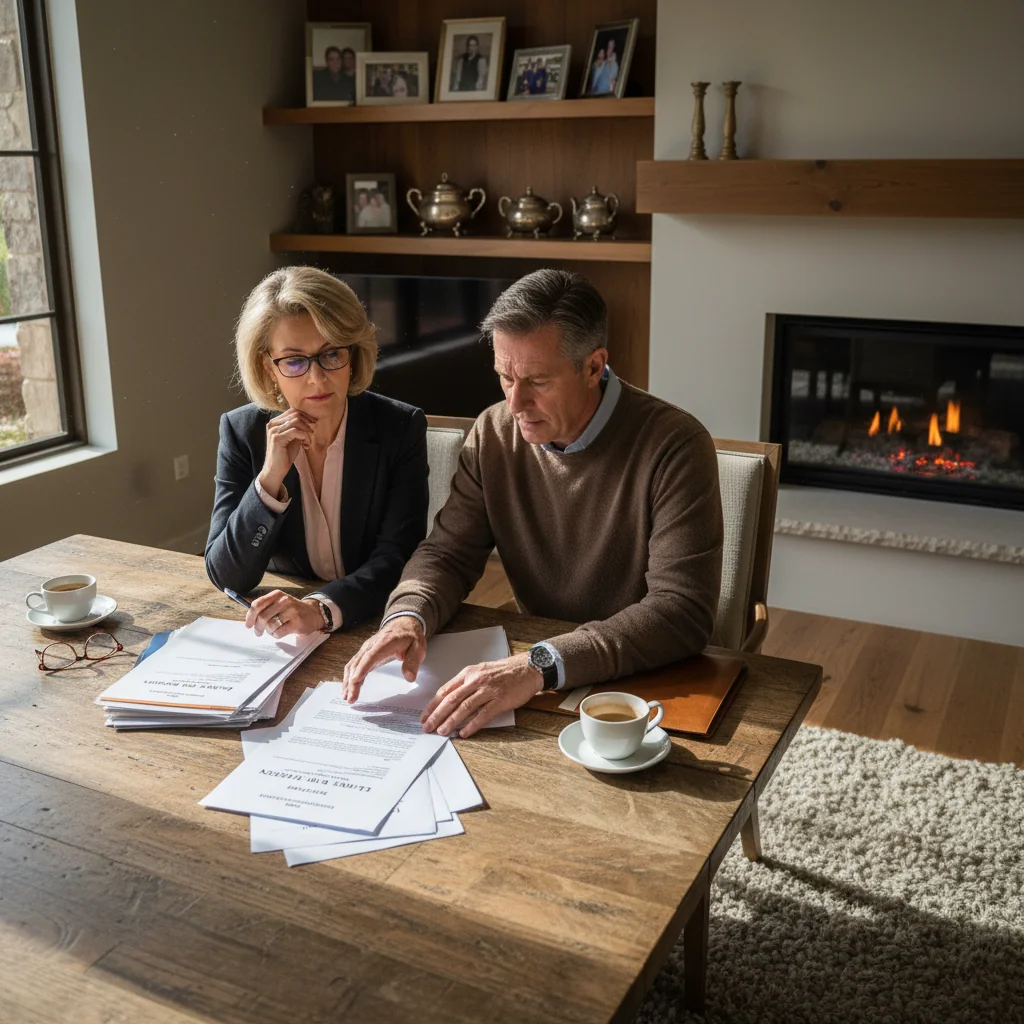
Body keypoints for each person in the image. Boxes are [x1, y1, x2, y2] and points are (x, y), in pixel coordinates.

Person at [342, 269, 724, 737]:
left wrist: (538, 663)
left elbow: (681, 612)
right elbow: (448, 553)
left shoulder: (676, 445)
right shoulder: (493, 432)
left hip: (650, 681)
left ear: (593, 366)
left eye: (537, 381)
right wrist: (407, 616)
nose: (515, 402)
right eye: (505, 377)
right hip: (543, 672)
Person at [205, 267, 428, 638]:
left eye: (331, 354)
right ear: (268, 367)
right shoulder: (242, 432)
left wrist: (321, 608)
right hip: (282, 635)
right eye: (294, 361)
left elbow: (398, 560)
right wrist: (269, 481)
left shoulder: (399, 427)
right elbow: (227, 576)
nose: (317, 378)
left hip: (373, 622)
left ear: (353, 354)